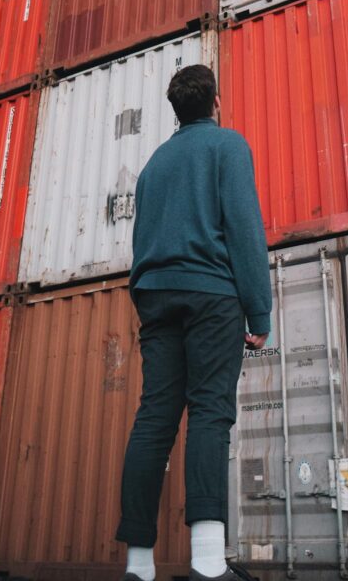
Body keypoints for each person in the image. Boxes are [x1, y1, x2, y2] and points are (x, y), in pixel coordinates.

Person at [116, 64, 272, 581]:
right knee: (209, 412)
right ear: (217, 103)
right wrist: (259, 309)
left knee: (155, 418)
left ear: (176, 110)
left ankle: (139, 565)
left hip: (155, 295)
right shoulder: (228, 146)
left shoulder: (154, 166)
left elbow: (140, 242)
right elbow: (245, 228)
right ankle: (207, 562)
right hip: (210, 294)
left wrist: (147, 295)